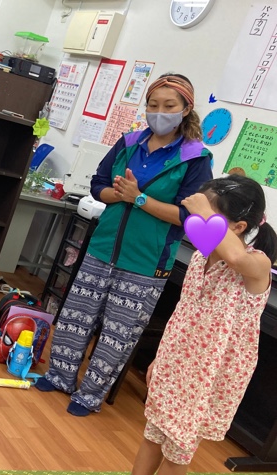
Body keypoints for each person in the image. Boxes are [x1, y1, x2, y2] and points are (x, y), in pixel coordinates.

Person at [97, 175, 276, 475]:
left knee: (178, 448)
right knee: (153, 433)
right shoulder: (201, 256)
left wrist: (203, 212)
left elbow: (235, 255)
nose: (198, 221)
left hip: (209, 377)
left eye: (208, 215)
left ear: (239, 227)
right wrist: (160, 359)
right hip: (178, 360)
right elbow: (183, 313)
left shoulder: (255, 264)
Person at [35, 73, 214, 416]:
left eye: (169, 106)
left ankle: (89, 397)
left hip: (146, 262)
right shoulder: (129, 142)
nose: (159, 112)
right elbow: (98, 184)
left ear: (186, 109)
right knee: (75, 318)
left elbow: (190, 216)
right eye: (153, 105)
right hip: (102, 248)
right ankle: (59, 376)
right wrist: (117, 195)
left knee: (117, 336)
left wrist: (138, 198)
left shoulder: (195, 158)